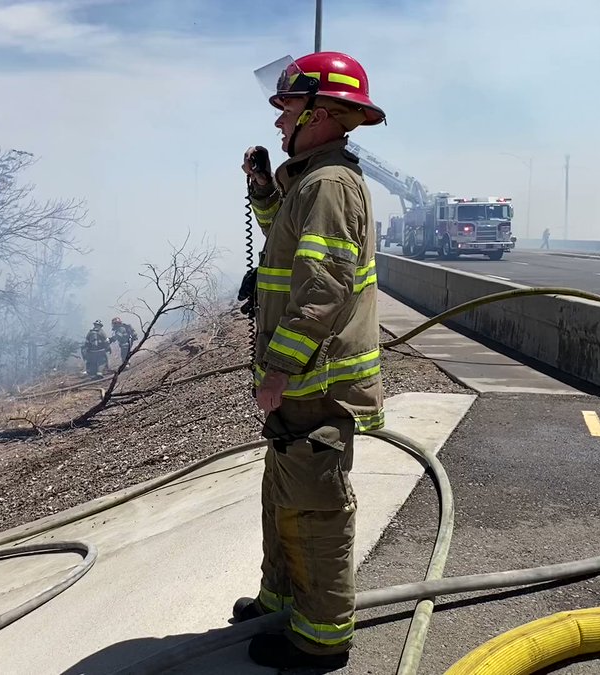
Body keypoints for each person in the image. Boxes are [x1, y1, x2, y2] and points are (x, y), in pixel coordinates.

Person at [233, 50, 386, 669]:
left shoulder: (327, 184)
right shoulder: (312, 180)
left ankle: (321, 638)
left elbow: (322, 289)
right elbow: (288, 242)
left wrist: (279, 371)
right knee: (284, 493)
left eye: (288, 107)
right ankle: (280, 600)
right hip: (305, 381)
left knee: (314, 507)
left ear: (321, 113)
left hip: (316, 382)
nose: (278, 122)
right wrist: (266, 194)